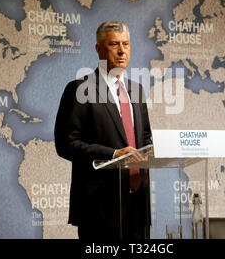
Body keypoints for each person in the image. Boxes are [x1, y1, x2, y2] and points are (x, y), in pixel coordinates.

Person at [54, 21, 152, 239]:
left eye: (126, 44)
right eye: (114, 44)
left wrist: (155, 150)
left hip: (137, 205)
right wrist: (114, 155)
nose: (121, 51)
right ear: (98, 48)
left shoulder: (136, 90)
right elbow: (66, 144)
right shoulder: (79, 89)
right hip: (99, 208)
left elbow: (145, 139)